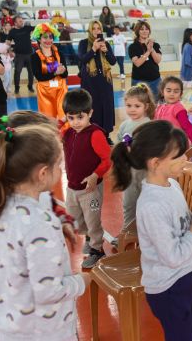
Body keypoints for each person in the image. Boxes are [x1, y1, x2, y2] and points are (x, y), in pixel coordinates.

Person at [0, 111, 78, 341]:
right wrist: (5, 261)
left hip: (40, 304)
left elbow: (49, 204)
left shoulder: (33, 190)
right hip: (2, 297)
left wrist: (63, 220)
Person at [110, 120, 192, 341]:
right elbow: (172, 256)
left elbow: (178, 229)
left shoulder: (172, 184)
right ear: (155, 163)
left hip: (187, 275)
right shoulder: (151, 205)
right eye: (178, 156)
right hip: (169, 288)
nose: (186, 159)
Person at [62, 89, 111, 268]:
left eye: (80, 117)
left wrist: (95, 175)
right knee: (76, 219)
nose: (75, 122)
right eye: (71, 117)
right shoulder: (68, 133)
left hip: (90, 190)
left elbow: (107, 159)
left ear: (90, 113)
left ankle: (98, 250)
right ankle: (90, 239)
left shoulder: (95, 134)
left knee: (93, 220)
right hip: (72, 187)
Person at [112, 83, 155, 247]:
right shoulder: (124, 125)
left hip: (145, 174)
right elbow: (119, 143)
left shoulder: (149, 124)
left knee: (146, 204)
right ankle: (127, 232)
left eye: (137, 106)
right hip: (129, 173)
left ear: (146, 106)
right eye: (129, 105)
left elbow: (153, 149)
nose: (132, 109)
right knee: (128, 204)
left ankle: (148, 233)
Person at [78, 20, 117, 141]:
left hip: (105, 80)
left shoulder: (106, 43)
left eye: (98, 28)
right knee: (93, 106)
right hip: (90, 81)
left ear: (101, 30)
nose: (96, 31)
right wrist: (93, 49)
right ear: (90, 30)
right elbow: (82, 59)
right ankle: (93, 133)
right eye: (93, 28)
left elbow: (113, 61)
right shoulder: (83, 43)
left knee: (106, 106)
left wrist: (105, 51)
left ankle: (106, 134)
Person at [30, 23, 68, 121]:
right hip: (45, 93)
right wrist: (56, 72)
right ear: (39, 39)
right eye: (45, 37)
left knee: (63, 118)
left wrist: (62, 71)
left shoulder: (60, 53)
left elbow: (65, 74)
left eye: (50, 37)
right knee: (49, 120)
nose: (48, 40)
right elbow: (39, 77)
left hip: (61, 91)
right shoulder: (34, 57)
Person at [154, 76, 192, 144]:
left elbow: (187, 127)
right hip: (162, 143)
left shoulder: (178, 108)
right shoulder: (159, 108)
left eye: (176, 91)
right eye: (169, 91)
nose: (172, 94)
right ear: (162, 92)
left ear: (180, 94)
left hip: (175, 144)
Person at [128, 20, 162, 98]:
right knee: (139, 103)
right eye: (142, 29)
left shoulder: (155, 45)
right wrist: (148, 51)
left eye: (146, 29)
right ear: (137, 31)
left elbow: (158, 60)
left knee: (156, 105)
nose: (144, 31)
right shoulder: (133, 47)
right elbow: (137, 63)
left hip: (155, 81)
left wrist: (152, 49)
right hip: (139, 81)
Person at [6, 15, 35, 94]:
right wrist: (9, 51)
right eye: (20, 21)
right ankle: (17, 88)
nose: (22, 22)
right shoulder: (12, 31)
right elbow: (8, 43)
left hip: (30, 54)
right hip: (19, 55)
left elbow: (38, 28)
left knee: (31, 72)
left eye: (22, 20)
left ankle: (30, 86)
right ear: (15, 23)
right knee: (17, 72)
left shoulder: (27, 28)